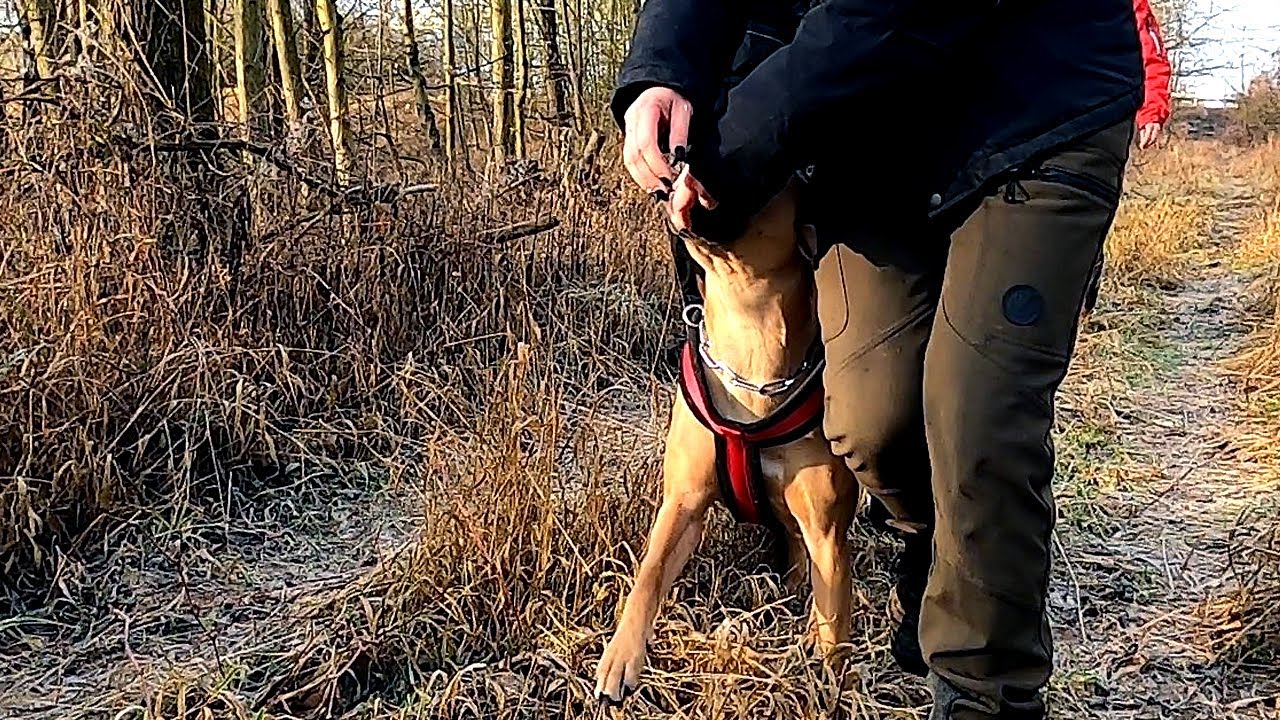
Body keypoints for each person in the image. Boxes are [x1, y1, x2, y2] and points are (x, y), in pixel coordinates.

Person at [610, 1, 1144, 718]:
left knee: (975, 415)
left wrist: (730, 155)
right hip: (877, 130)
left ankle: (984, 688)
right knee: (872, 421)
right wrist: (663, 72)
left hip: (1038, 106)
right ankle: (940, 551)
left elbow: (884, 14)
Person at [1084, 0, 1173, 314]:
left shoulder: (1130, 5)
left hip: (1098, 125)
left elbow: (1152, 54)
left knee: (1089, 219)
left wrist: (1153, 110)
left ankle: (1082, 308)